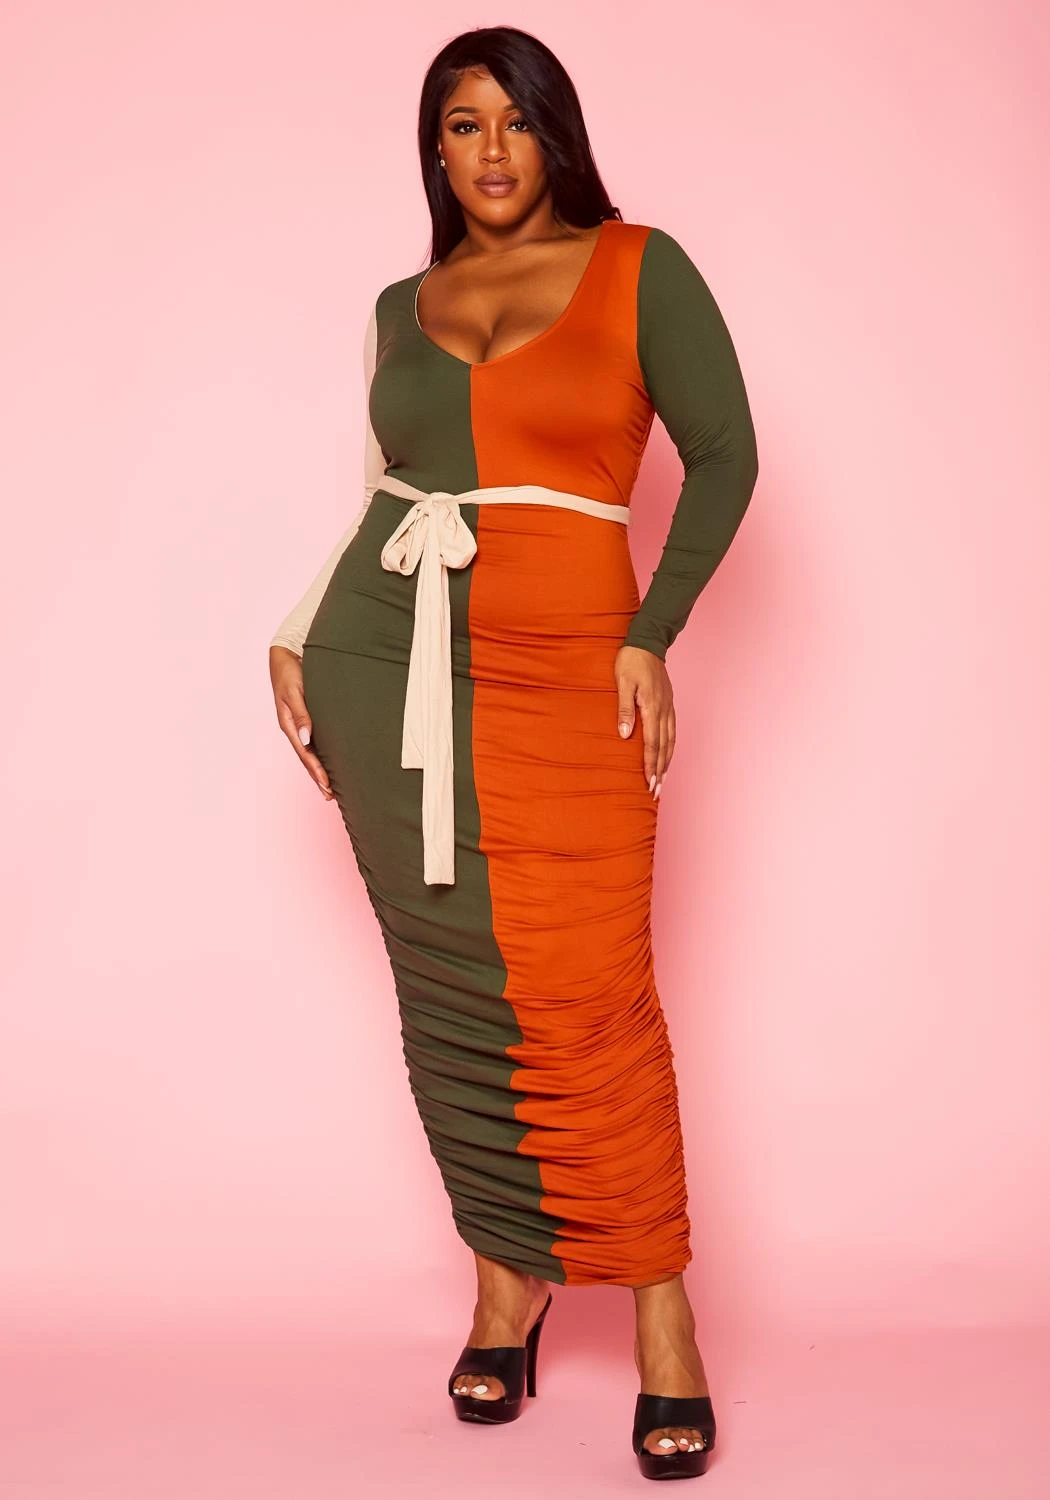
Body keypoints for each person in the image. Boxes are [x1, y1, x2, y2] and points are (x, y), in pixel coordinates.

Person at [267, 25, 758, 1482]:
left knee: (594, 989)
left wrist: (653, 634)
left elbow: (725, 456)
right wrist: (295, 630)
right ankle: (507, 1284)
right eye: (461, 124)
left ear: (557, 134)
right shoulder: (397, 306)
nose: (490, 150)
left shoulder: (639, 267)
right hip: (387, 664)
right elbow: (380, 492)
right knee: (449, 992)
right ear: (434, 149)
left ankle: (662, 1316)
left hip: (572, 666)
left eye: (515, 121)